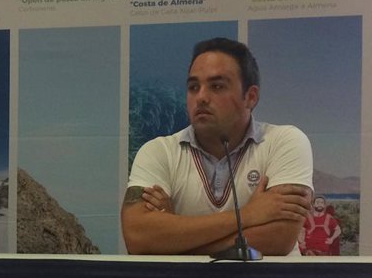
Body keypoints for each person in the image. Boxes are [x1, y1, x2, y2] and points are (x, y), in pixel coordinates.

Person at [122, 37, 313, 256]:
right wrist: (249, 214)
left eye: (217, 86)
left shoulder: (284, 142)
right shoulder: (158, 151)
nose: (201, 97)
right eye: (193, 87)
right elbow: (138, 238)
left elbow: (278, 238)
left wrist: (175, 241)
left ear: (251, 97)